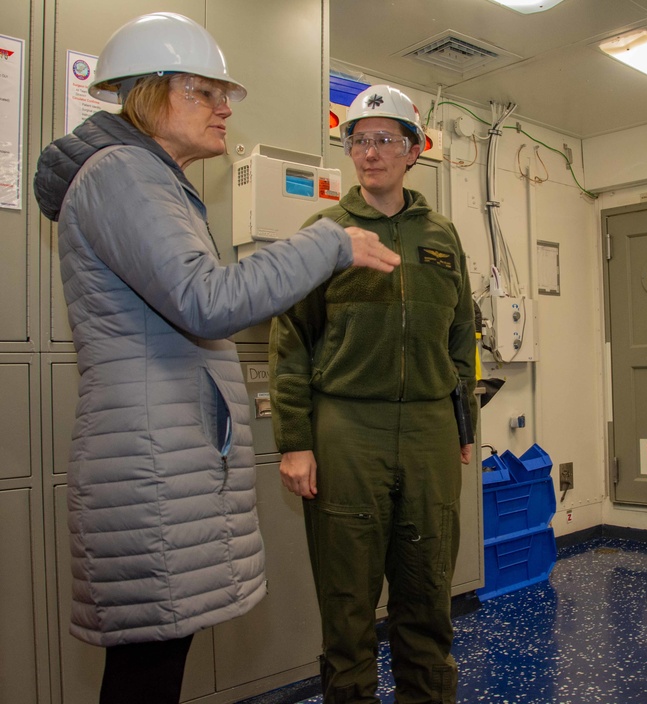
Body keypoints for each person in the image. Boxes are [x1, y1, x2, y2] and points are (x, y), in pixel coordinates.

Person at [32, 13, 400, 704]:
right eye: (205, 92)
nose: (225, 107)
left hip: (161, 457)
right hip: (150, 464)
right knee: (147, 672)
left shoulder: (148, 179)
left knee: (153, 666)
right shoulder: (123, 177)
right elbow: (206, 299)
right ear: (150, 93)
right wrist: (328, 243)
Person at [268, 84, 478, 704]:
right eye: (360, 140)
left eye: (386, 139)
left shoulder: (442, 237)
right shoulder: (324, 233)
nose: (371, 152)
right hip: (346, 430)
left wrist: (462, 427)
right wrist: (295, 443)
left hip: (429, 431)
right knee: (348, 608)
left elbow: (463, 336)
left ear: (414, 150)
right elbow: (291, 341)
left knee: (427, 601)